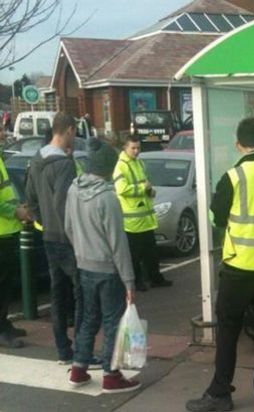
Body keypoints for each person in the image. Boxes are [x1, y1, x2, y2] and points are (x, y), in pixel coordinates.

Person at [186, 118, 254, 412]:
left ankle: (220, 393)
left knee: (229, 331)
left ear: (238, 145)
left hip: (238, 269)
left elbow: (217, 218)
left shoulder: (232, 178)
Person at [66, 138, 140, 393]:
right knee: (112, 322)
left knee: (88, 318)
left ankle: (78, 368)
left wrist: (81, 251)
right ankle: (111, 374)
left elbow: (68, 228)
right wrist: (129, 281)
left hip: (84, 264)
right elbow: (119, 245)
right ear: (108, 167)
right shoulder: (108, 198)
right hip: (108, 270)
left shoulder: (74, 189)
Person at [25, 112, 99, 366]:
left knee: (58, 294)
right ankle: (82, 351)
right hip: (67, 239)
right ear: (67, 130)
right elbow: (64, 204)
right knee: (82, 294)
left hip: (48, 237)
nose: (75, 137)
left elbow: (31, 199)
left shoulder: (37, 159)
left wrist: (45, 223)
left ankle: (63, 349)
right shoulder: (65, 164)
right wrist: (74, 233)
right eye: (75, 131)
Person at [113, 135, 172, 291]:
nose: (137, 151)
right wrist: (143, 189)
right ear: (125, 148)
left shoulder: (138, 163)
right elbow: (121, 189)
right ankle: (138, 282)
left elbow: (145, 183)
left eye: (138, 147)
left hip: (145, 218)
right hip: (132, 222)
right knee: (135, 256)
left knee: (151, 253)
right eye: (133, 148)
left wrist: (150, 191)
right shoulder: (121, 166)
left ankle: (155, 279)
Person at [0, 155, 30, 348]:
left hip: (6, 231)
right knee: (2, 285)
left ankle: (4, 323)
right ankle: (2, 330)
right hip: (1, 232)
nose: (3, 131)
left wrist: (17, 207)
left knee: (6, 284)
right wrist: (15, 212)